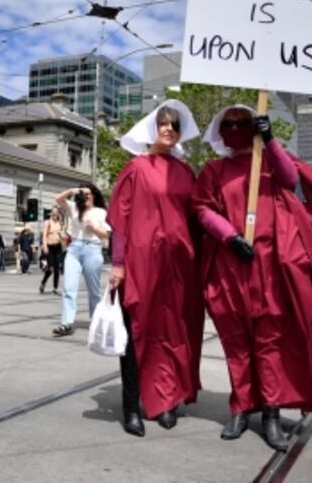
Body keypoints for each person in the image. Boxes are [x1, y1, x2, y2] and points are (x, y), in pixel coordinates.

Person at [193, 105, 312, 450]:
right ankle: (241, 408)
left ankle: (270, 411)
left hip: (271, 267)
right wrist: (229, 236)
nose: (237, 128)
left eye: (244, 123)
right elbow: (201, 207)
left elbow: (290, 178)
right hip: (230, 265)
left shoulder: (267, 164)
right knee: (236, 341)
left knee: (270, 341)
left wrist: (270, 140)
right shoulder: (213, 170)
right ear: (221, 131)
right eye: (230, 123)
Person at [107, 102, 204, 437]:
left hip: (179, 266)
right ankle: (132, 406)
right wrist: (118, 263)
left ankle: (167, 401)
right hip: (141, 264)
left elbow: (198, 217)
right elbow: (120, 219)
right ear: (153, 127)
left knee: (173, 333)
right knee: (138, 335)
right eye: (163, 124)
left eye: (175, 125)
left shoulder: (185, 171)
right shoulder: (135, 168)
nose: (168, 130)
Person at [51, 184, 110, 337]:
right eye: (82, 193)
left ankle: (97, 322)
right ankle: (66, 323)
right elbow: (58, 199)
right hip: (74, 249)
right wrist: (72, 191)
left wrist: (93, 228)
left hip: (93, 249)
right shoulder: (74, 207)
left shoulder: (101, 212)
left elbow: (106, 235)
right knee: (69, 288)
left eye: (87, 194)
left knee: (94, 291)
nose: (85, 196)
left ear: (94, 195)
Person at [39, 209, 64, 295]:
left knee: (57, 269)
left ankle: (55, 288)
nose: (55, 214)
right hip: (50, 247)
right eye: (53, 213)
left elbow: (62, 235)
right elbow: (44, 236)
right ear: (51, 214)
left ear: (58, 214)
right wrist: (45, 246)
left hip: (58, 247)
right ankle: (43, 282)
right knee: (50, 268)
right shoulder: (48, 222)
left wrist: (64, 243)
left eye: (56, 213)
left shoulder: (60, 223)